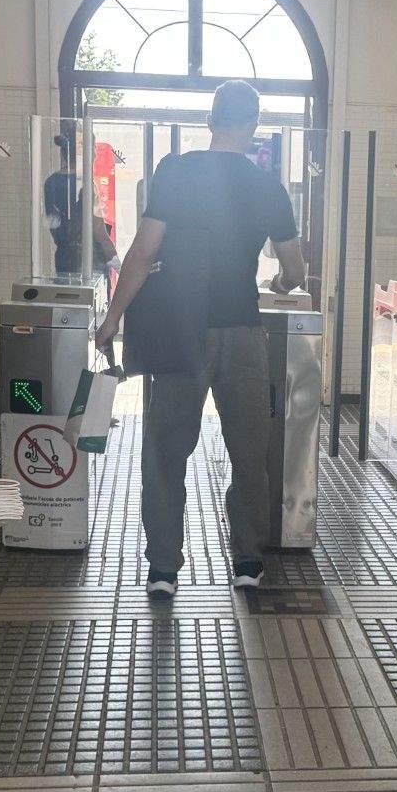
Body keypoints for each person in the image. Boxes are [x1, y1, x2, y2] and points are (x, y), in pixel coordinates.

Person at [94, 81, 306, 596]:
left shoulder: (176, 173)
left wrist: (111, 320)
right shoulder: (267, 187)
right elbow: (296, 270)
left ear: (211, 121)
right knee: (248, 451)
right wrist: (274, 284)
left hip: (179, 332)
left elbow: (141, 255)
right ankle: (247, 562)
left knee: (166, 452)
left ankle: (164, 569)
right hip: (243, 334)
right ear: (253, 126)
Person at [42, 131, 118, 278]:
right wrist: (119, 266)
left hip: (63, 260)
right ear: (86, 153)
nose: (95, 154)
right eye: (94, 148)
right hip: (88, 262)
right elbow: (99, 232)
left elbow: (54, 224)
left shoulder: (50, 182)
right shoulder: (85, 184)